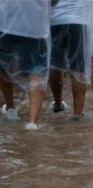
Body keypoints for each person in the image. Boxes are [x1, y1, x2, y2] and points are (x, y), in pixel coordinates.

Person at [49, 0, 93, 116]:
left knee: (54, 65)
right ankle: (77, 114)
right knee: (78, 68)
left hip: (56, 20)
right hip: (79, 20)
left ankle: (57, 104)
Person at [0, 0, 55, 129]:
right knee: (37, 70)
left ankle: (10, 107)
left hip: (5, 21)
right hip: (35, 23)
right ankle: (32, 123)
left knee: (2, 64)